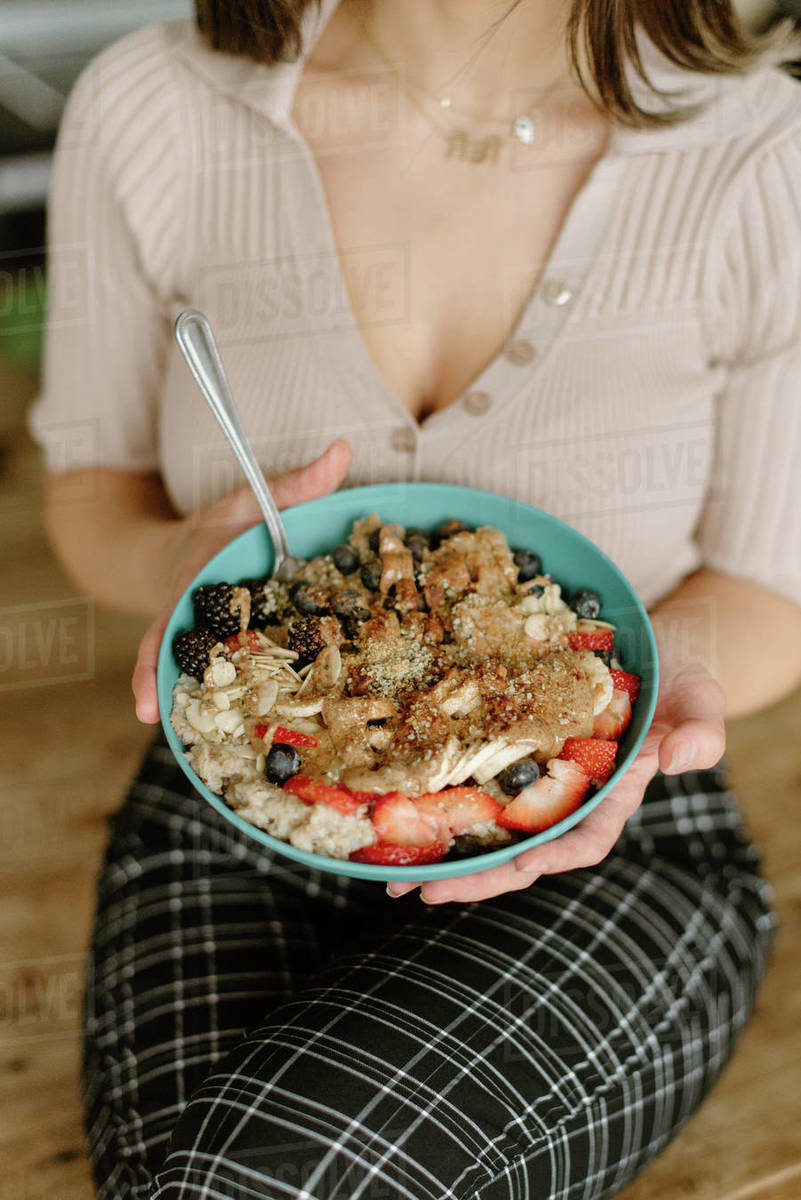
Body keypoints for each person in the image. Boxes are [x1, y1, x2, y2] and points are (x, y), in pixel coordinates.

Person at [30, 0, 801, 1196]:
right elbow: (93, 507)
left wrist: (634, 698)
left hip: (616, 823)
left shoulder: (765, 149)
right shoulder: (158, 107)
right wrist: (190, 566)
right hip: (239, 797)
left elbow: (764, 590)